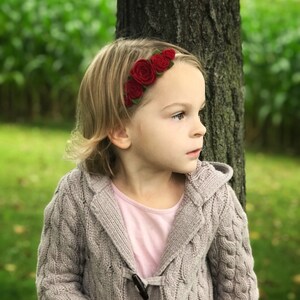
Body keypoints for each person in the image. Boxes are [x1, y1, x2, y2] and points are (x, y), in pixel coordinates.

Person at [36, 38, 259, 300]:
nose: (201, 128)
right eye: (179, 115)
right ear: (120, 131)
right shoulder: (77, 195)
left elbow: (238, 290)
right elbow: (56, 281)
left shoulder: (215, 199)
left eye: (199, 112)